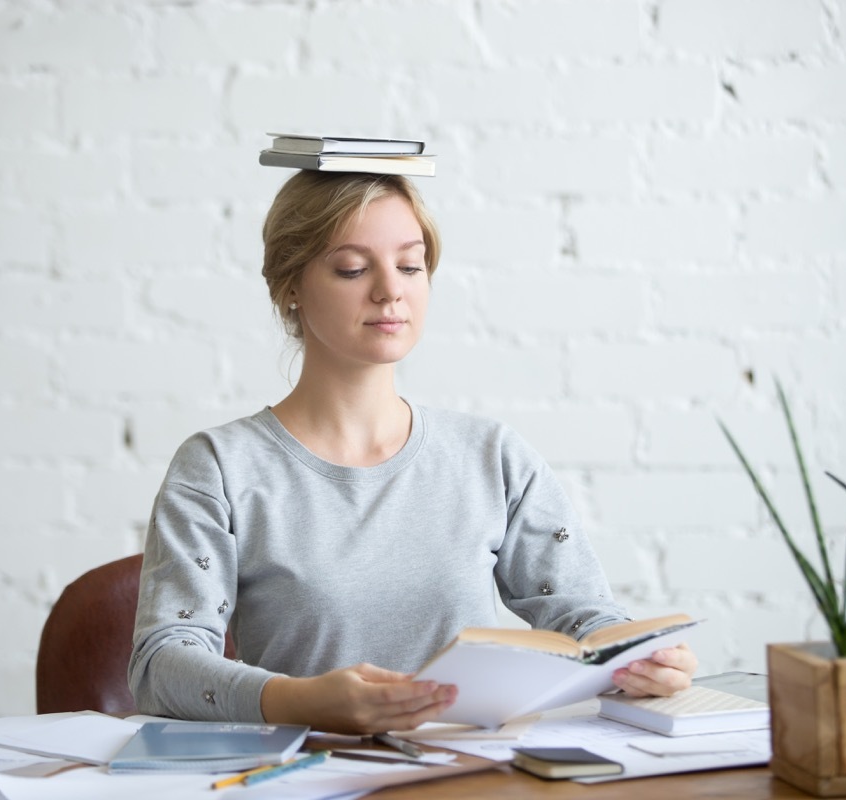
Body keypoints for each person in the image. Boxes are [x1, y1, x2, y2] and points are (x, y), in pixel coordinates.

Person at [128, 169, 697, 734]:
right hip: (309, 778)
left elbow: (585, 619)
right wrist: (299, 702)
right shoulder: (220, 467)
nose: (390, 290)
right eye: (352, 268)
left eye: (409, 265)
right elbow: (161, 664)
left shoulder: (492, 456)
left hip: (474, 777)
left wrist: (640, 661)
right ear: (290, 287)